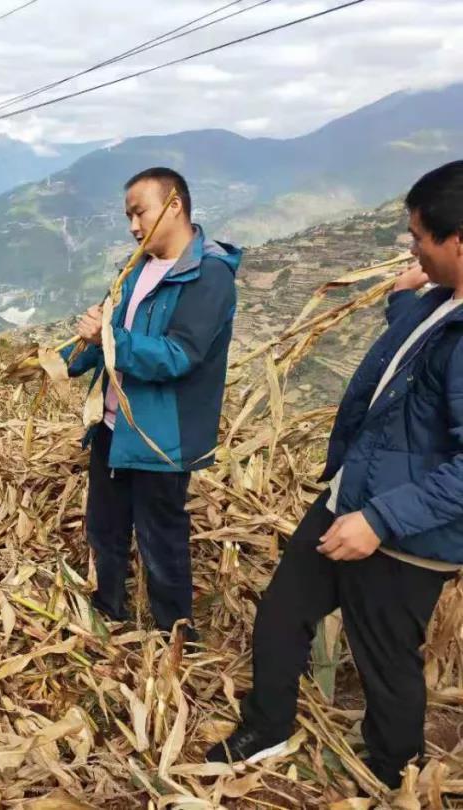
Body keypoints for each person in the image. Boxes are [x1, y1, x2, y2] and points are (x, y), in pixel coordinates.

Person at [208, 161, 463, 789]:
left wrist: (380, 520)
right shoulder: (439, 303)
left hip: (404, 536)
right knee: (282, 613)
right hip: (351, 497)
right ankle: (266, 728)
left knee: (385, 659)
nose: (410, 246)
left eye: (419, 237)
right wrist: (410, 290)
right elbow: (412, 360)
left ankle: (391, 775)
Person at [64, 167, 241, 640]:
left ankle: (176, 639)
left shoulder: (209, 277)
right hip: (111, 426)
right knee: (105, 528)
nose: (133, 226)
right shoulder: (136, 268)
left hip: (159, 437)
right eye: (128, 216)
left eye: (139, 212)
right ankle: (108, 614)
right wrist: (62, 360)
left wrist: (107, 339)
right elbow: (104, 332)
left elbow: (179, 355)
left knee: (161, 540)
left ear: (175, 204)